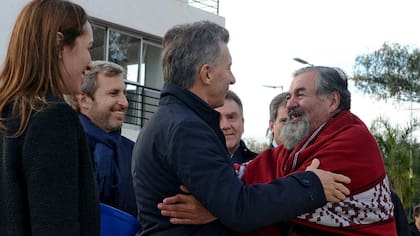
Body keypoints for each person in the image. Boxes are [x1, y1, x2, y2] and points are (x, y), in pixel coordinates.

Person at [131, 20, 350, 235]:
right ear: (206, 74)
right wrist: (311, 185)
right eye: (228, 68)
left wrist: (217, 208)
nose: (232, 79)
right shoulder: (186, 128)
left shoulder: (170, 120)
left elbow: (227, 202)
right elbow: (239, 208)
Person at [159, 66, 398, 235]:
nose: (289, 104)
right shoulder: (301, 143)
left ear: (332, 102)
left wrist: (219, 208)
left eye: (300, 95)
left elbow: (287, 201)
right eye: (289, 95)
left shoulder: (353, 140)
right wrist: (219, 196)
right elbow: (255, 174)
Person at [0, 0, 99, 235]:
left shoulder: (9, 112)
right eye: (88, 48)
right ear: (58, 45)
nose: (90, 63)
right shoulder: (53, 119)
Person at [73, 60, 137, 217]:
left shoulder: (136, 152)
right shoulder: (65, 147)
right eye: (113, 93)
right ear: (84, 100)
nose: (124, 102)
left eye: (124, 93)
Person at [217, 90, 257, 164]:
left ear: (242, 123)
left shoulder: (261, 166)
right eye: (217, 119)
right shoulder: (191, 167)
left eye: (231, 117)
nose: (225, 126)